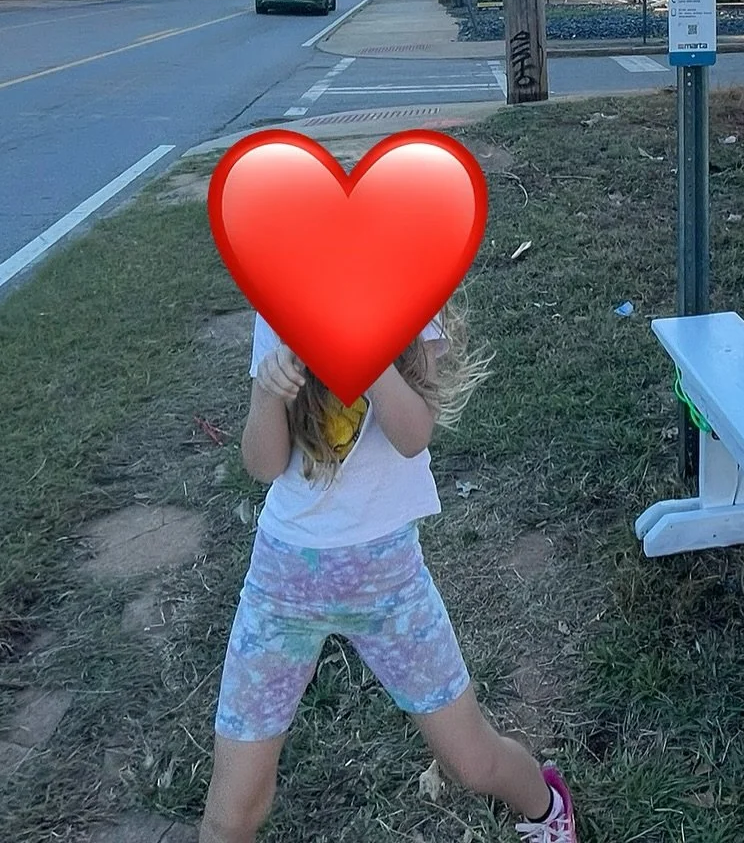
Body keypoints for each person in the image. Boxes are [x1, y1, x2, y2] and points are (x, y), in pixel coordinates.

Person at [200, 307, 577, 842]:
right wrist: (266, 395)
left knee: (472, 763)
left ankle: (546, 807)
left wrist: (364, 358)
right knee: (231, 812)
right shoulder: (281, 296)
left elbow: (412, 434)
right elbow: (263, 465)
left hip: (387, 586)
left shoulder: (408, 294)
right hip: (282, 585)